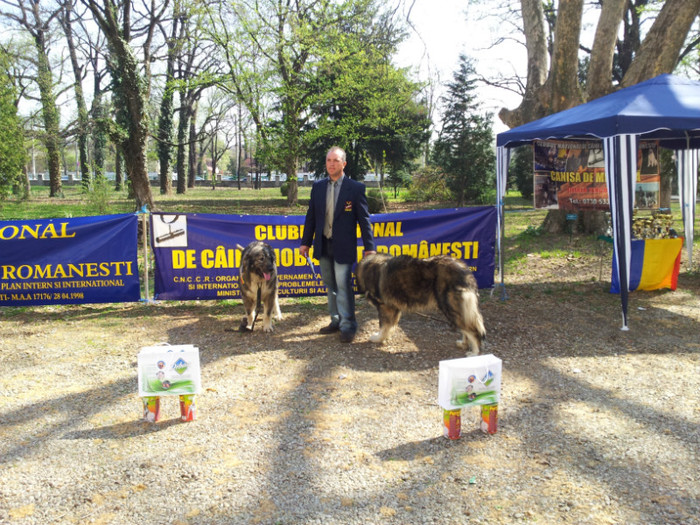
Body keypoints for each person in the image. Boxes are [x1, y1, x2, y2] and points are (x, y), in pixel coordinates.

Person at [300, 146, 376, 343]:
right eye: (328, 160)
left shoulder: (356, 188)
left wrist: (370, 247)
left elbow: (364, 220)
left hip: (344, 246)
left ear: (344, 163)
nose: (331, 164)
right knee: (330, 285)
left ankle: (348, 326)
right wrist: (305, 243)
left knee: (343, 285)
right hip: (323, 244)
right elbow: (311, 218)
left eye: (335, 160)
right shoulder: (317, 187)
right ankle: (335, 320)